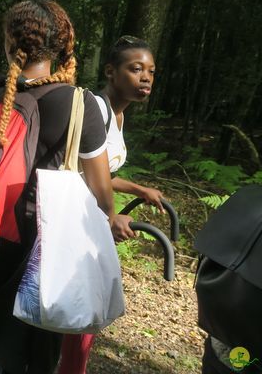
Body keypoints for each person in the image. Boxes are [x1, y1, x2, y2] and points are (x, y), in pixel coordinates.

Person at [0, 0, 129, 374]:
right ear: (62, 45)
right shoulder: (77, 104)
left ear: (9, 42)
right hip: (25, 254)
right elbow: (103, 194)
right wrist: (111, 216)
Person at [57, 35, 164, 374]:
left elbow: (101, 172)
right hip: (72, 223)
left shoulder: (118, 117)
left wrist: (138, 188)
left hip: (91, 223)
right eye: (135, 69)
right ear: (110, 72)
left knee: (86, 309)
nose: (145, 77)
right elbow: (77, 172)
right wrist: (111, 214)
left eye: (150, 71)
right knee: (78, 307)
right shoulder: (96, 107)